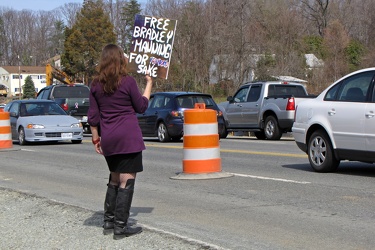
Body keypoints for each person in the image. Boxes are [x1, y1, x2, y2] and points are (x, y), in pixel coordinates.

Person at [88, 44, 153, 240]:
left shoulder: (95, 85)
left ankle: (108, 222)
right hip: (128, 137)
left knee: (114, 178)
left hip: (109, 138)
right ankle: (121, 227)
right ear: (120, 60)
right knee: (127, 180)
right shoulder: (128, 82)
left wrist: (95, 138)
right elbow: (141, 106)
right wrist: (149, 83)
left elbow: (93, 116)